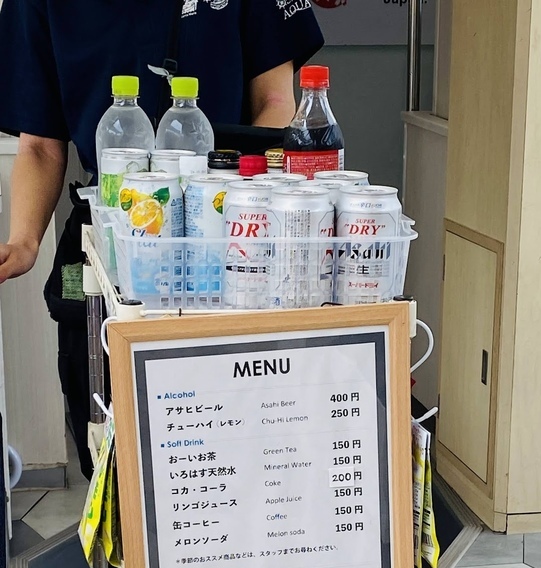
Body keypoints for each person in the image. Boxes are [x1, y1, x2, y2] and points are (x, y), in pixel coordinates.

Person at [0, 0, 324, 477]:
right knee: (113, 457)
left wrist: (233, 202)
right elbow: (40, 146)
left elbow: (275, 104)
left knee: (235, 452)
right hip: (107, 240)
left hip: (227, 236)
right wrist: (24, 240)